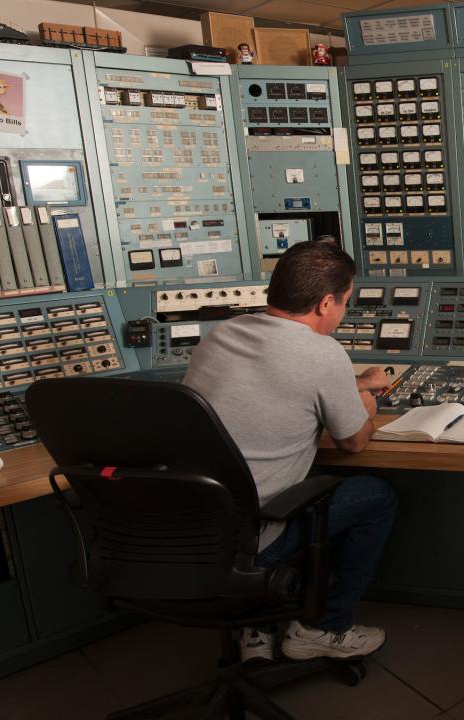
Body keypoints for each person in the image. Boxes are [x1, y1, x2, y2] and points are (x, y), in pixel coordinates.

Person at [183, 240, 397, 662]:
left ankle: (256, 627)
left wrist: (351, 385)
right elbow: (354, 441)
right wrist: (366, 405)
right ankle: (324, 628)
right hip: (252, 539)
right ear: (325, 303)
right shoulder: (322, 352)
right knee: (377, 495)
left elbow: (276, 382)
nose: (343, 311)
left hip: (190, 528)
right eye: (345, 302)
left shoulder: (221, 335)